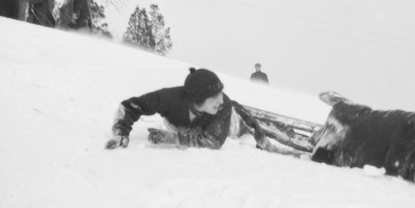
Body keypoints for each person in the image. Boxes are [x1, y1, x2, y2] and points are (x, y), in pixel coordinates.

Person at [105, 67, 284, 153]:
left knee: (251, 130)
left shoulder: (224, 105)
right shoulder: (169, 99)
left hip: (232, 123)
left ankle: (279, 132)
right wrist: (120, 133)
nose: (220, 100)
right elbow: (129, 106)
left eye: (220, 93)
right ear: (197, 99)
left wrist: (172, 138)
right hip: (196, 124)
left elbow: (212, 142)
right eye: (214, 97)